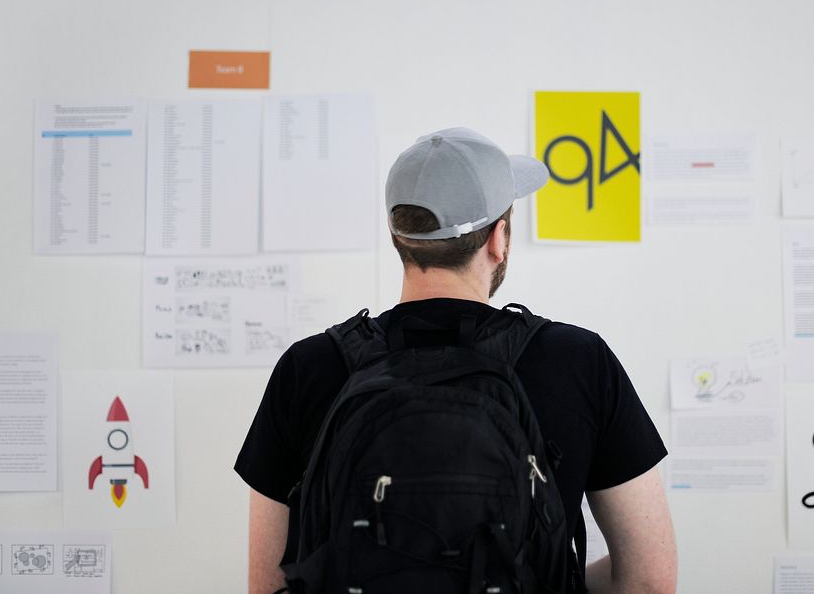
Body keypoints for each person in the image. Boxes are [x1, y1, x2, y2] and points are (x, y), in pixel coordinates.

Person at [236, 127, 677, 593]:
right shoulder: (579, 362)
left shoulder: (307, 367)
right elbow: (650, 579)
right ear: (498, 240)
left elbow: (268, 585)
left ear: (397, 237)